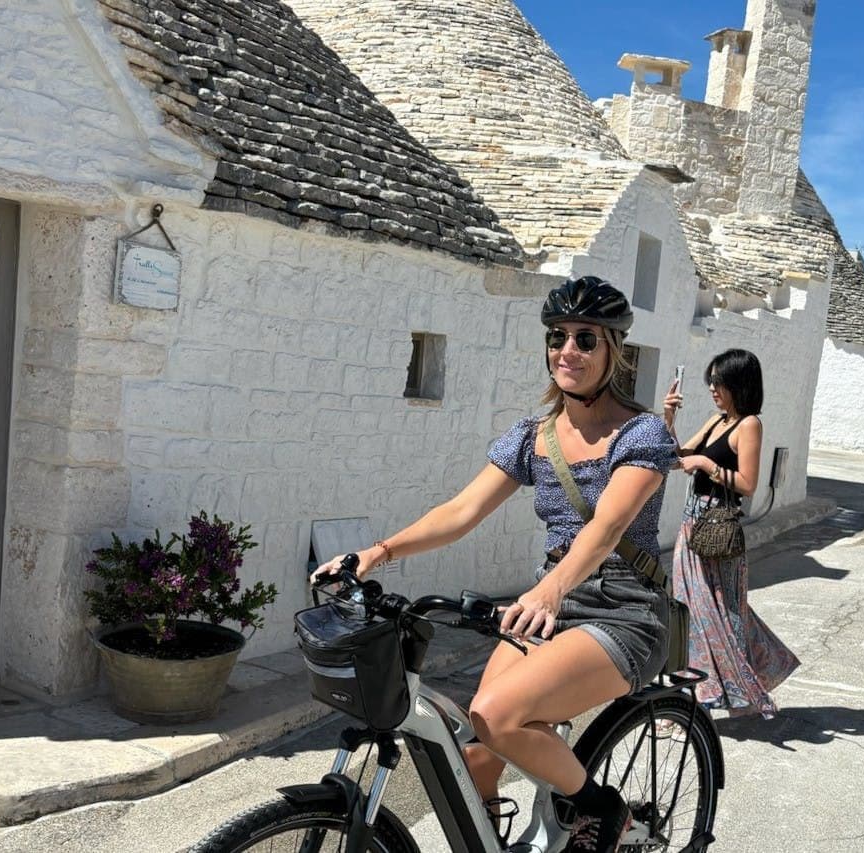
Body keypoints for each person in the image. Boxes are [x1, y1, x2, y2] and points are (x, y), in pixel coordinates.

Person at [313, 276, 678, 852]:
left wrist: (550, 590)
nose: (568, 351)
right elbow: (461, 510)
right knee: (475, 754)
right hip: (550, 605)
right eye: (558, 337)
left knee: (497, 714)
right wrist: (374, 553)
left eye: (586, 339)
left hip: (623, 613)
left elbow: (606, 529)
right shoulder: (533, 436)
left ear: (614, 349)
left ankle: (606, 811)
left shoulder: (642, 432)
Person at [662, 349, 798, 716]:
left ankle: (701, 702)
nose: (713, 389)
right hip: (692, 528)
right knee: (694, 613)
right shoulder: (716, 421)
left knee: (715, 614)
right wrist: (668, 419)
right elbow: (678, 458)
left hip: (717, 531)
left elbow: (748, 484)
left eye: (719, 382)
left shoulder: (749, 424)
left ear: (739, 384)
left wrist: (706, 463)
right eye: (712, 381)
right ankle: (752, 673)